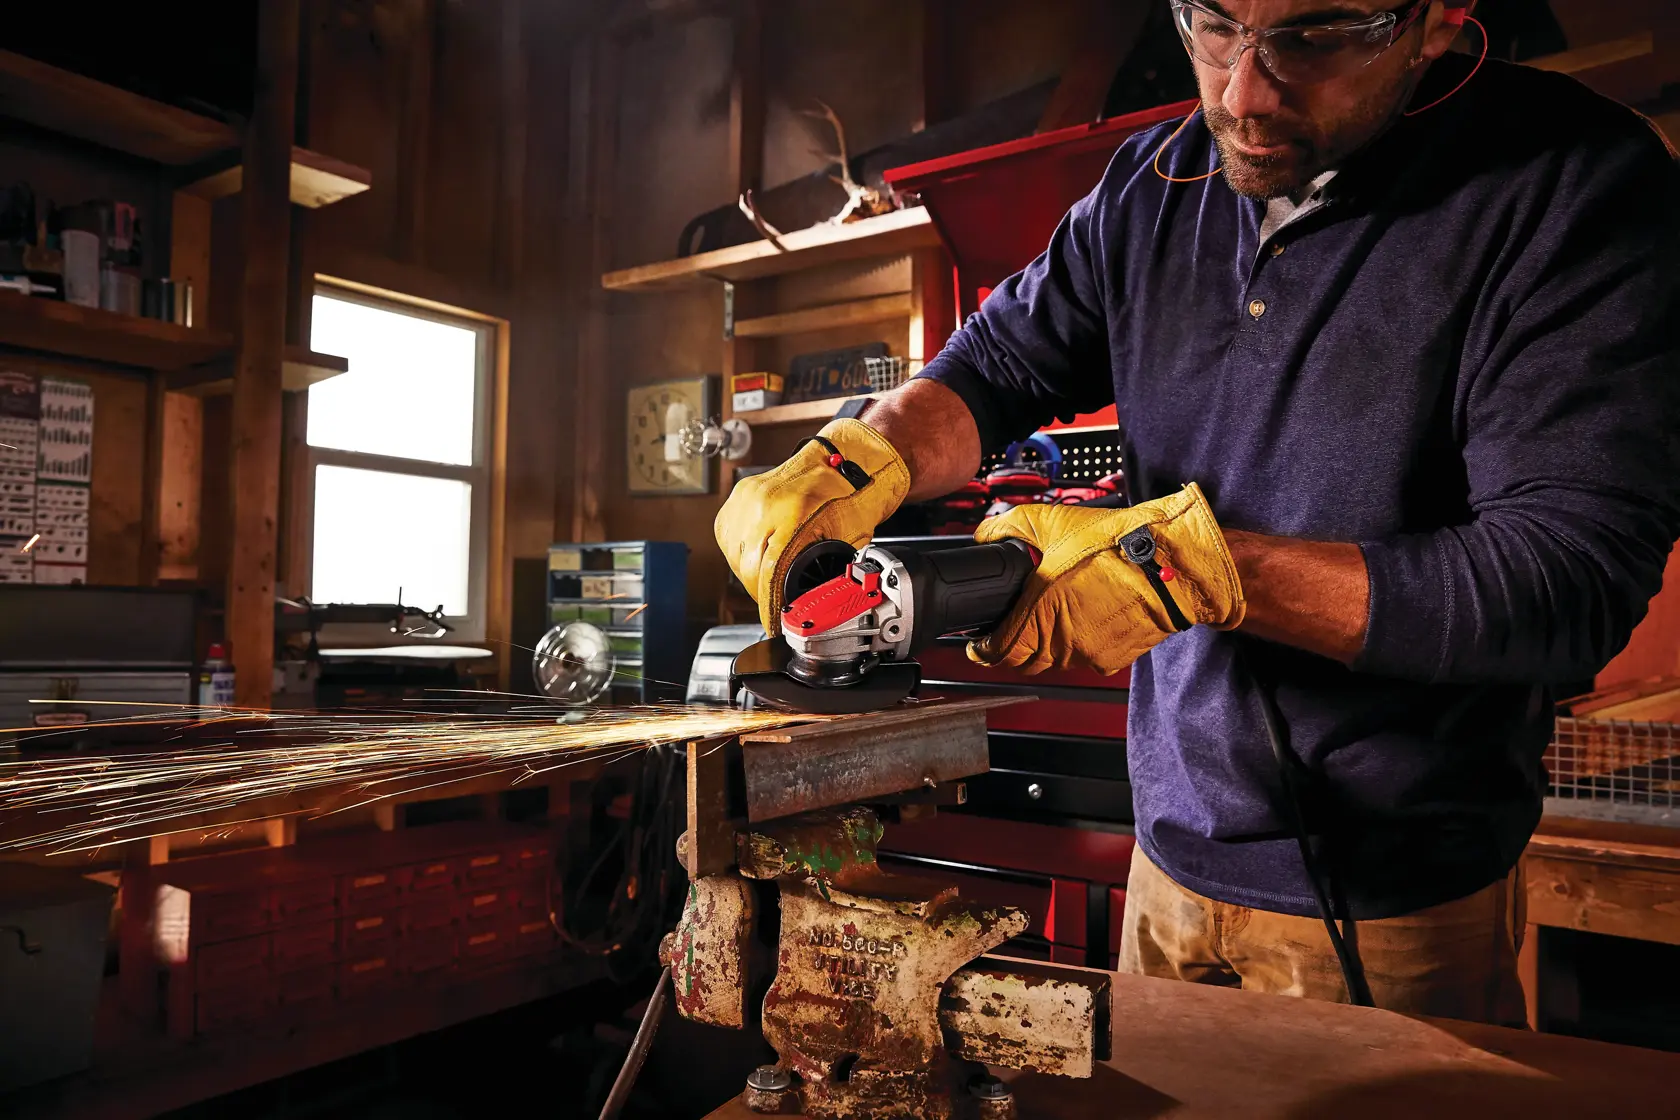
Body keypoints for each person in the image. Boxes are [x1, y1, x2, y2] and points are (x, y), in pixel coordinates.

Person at [714, 0, 1680, 1025]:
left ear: (1435, 19)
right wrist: (861, 451)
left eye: (1310, 37)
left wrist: (1189, 567)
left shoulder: (1570, 185)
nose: (1242, 92)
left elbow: (1564, 579)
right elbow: (999, 362)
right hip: (1167, 859)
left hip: (1389, 896)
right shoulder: (1152, 184)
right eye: (1215, 25)